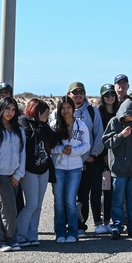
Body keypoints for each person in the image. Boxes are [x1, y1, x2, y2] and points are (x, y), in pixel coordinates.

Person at [0, 97, 27, 252]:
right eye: (7, 109)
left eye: (13, 109)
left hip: (14, 175)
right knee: (8, 209)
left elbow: (23, 153)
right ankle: (9, 239)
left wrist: (18, 174)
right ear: (1, 109)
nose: (10, 113)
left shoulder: (19, 130)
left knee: (2, 208)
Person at [103, 98, 132, 239]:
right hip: (118, 170)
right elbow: (106, 142)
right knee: (117, 201)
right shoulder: (114, 122)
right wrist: (121, 135)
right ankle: (116, 227)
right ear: (124, 113)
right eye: (130, 114)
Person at [51, 95, 91, 243]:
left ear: (73, 108)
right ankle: (60, 231)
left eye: (68, 107)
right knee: (59, 201)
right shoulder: (54, 125)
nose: (66, 110)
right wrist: (61, 149)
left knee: (70, 201)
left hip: (75, 167)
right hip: (58, 167)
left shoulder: (81, 125)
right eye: (63, 108)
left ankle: (73, 232)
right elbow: (50, 147)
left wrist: (73, 151)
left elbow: (86, 145)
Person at [68, 81, 105, 237]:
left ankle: (91, 224)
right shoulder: (65, 111)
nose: (78, 95)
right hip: (71, 163)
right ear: (69, 94)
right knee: (76, 196)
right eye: (75, 92)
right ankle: (77, 225)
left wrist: (93, 155)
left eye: (81, 92)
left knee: (91, 193)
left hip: (90, 160)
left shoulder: (92, 111)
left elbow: (99, 135)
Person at [15, 98, 53, 248]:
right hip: (29, 169)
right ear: (37, 111)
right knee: (31, 204)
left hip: (43, 169)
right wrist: (42, 124)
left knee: (38, 205)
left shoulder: (43, 125)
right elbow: (32, 139)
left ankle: (32, 235)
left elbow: (53, 138)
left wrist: (44, 124)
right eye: (44, 114)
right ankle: (19, 234)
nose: (46, 117)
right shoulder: (23, 122)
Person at [93, 83, 119, 233]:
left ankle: (108, 220)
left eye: (112, 95)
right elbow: (98, 135)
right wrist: (102, 155)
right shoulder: (97, 113)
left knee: (109, 190)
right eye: (107, 95)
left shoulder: (118, 113)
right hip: (98, 157)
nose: (110, 97)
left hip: (113, 158)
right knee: (97, 190)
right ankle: (97, 222)